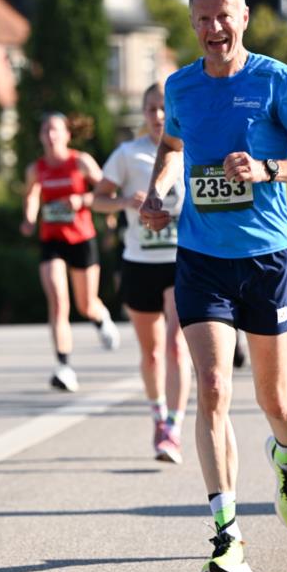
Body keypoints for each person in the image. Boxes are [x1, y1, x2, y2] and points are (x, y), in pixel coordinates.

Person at [140, 0, 287, 572]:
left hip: (267, 257)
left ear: (243, 16)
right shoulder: (181, 85)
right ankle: (227, 534)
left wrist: (269, 168)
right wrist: (159, 188)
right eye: (201, 19)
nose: (213, 29)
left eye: (222, 16)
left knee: (274, 401)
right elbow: (172, 147)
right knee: (214, 386)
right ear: (192, 24)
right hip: (200, 255)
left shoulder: (275, 80)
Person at [92, 83, 192, 464]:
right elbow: (96, 199)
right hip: (138, 263)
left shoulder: (190, 149)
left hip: (181, 260)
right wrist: (122, 202)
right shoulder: (127, 154)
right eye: (151, 109)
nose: (158, 116)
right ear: (144, 113)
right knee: (151, 353)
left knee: (175, 344)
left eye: (165, 108)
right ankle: (157, 414)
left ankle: (174, 425)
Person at [20, 112, 119, 392]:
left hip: (82, 240)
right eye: (45, 131)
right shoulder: (35, 169)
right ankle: (63, 366)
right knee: (57, 300)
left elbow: (106, 192)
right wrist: (29, 218)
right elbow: (31, 196)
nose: (51, 136)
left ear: (66, 135)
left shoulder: (81, 162)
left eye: (55, 130)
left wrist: (83, 200)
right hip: (52, 240)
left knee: (85, 304)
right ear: (41, 137)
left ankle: (100, 318)